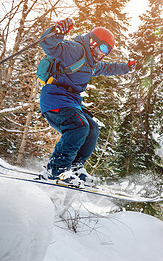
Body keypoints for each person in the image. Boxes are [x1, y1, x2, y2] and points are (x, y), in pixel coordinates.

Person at [39, 18, 136, 186]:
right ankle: (55, 170)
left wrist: (127, 67)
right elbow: (50, 46)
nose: (104, 54)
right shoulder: (76, 50)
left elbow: (109, 68)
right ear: (93, 42)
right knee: (78, 126)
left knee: (92, 129)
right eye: (104, 48)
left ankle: (76, 166)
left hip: (70, 101)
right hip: (55, 98)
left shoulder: (92, 64)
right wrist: (58, 31)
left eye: (108, 51)